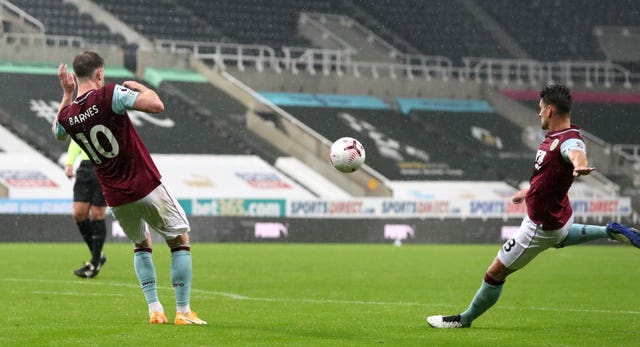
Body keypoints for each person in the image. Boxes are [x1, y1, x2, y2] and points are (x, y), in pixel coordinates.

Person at [427, 84, 640, 329]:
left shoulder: (570, 141)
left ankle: (463, 320)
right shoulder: (553, 138)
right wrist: (528, 192)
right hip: (561, 217)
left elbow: (576, 154)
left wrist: (580, 165)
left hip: (540, 226)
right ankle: (608, 231)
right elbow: (549, 177)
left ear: (550, 110)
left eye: (540, 109)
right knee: (558, 237)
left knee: (495, 273)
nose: (538, 113)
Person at [51, 51, 207, 325]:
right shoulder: (110, 94)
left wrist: (66, 94)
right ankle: (183, 311)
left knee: (141, 244)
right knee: (179, 240)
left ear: (74, 78)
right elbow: (156, 106)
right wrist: (141, 88)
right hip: (144, 184)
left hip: (116, 195)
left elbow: (57, 132)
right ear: (99, 73)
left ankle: (154, 309)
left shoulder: (71, 114)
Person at [66, 139, 108, 278]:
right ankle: (98, 255)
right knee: (79, 214)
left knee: (98, 214)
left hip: (104, 166)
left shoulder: (111, 118)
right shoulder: (82, 117)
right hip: (85, 167)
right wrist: (69, 162)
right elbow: (76, 140)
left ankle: (94, 263)